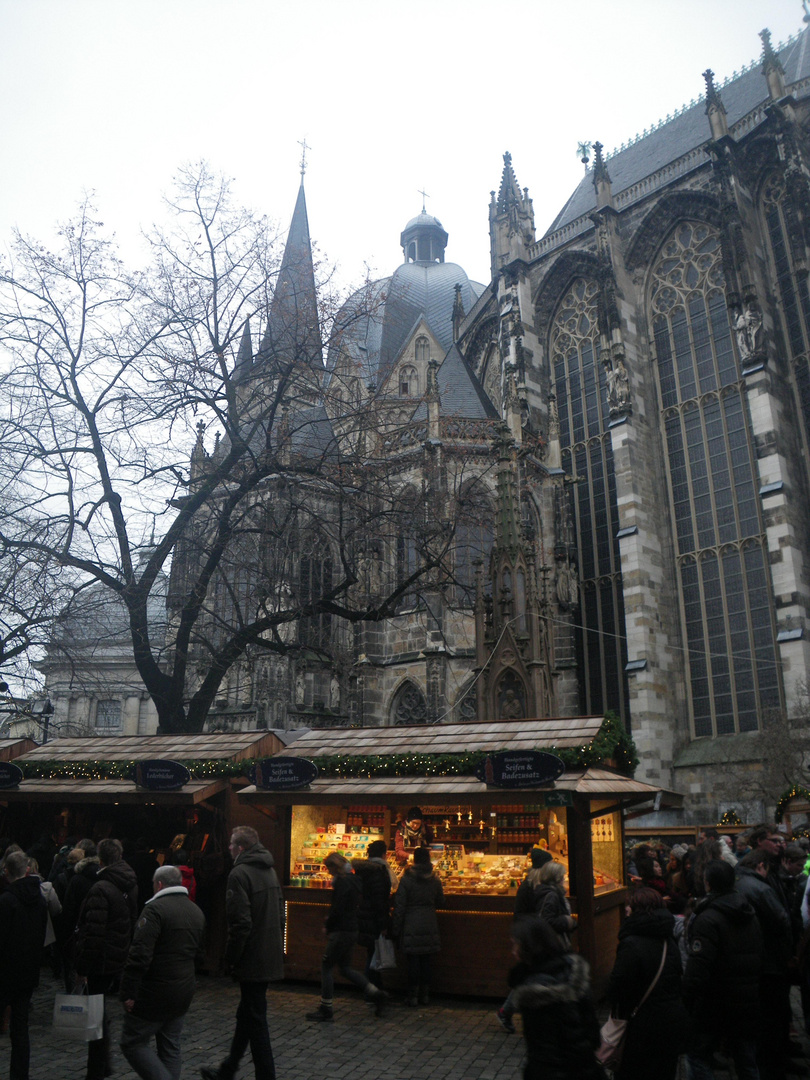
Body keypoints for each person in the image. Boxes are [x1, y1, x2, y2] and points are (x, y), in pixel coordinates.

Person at [201, 826, 284, 1080]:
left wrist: (230, 958)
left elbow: (240, 924)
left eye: (230, 845)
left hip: (252, 957)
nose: (227, 849)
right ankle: (229, 1068)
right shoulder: (269, 870)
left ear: (240, 848)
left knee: (255, 1020)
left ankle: (265, 1075)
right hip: (268, 953)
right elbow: (281, 914)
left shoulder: (239, 874)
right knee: (247, 1014)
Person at [119, 864, 206, 1080]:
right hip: (183, 988)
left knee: (133, 1042)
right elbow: (198, 952)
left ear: (159, 884)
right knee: (170, 1046)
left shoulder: (155, 910)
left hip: (155, 990)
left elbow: (139, 955)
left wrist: (128, 991)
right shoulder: (195, 911)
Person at [683, 859, 762, 1080]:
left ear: (708, 883)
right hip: (746, 998)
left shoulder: (707, 918)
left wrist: (687, 1000)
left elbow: (698, 967)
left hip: (713, 1002)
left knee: (698, 1057)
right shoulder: (749, 912)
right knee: (746, 1060)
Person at [606, 887, 687, 1080]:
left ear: (638, 909)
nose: (626, 909)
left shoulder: (631, 943)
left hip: (640, 1028)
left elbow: (618, 987)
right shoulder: (669, 940)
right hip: (669, 1024)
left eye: (629, 906)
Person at [75, 838, 138, 1080]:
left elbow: (93, 933)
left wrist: (82, 966)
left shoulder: (101, 888)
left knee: (96, 1018)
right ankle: (102, 1066)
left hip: (101, 960)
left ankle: (96, 1071)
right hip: (118, 955)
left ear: (101, 860)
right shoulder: (129, 883)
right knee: (100, 1016)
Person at [509, 918, 603, 1080]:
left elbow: (543, 1054)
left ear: (529, 947)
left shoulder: (535, 993)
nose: (513, 950)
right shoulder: (573, 973)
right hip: (587, 1070)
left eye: (515, 944)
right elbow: (593, 1034)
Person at [307, 851, 388, 1021]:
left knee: (327, 966)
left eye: (328, 868)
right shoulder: (355, 880)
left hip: (341, 930)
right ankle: (376, 993)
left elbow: (337, 908)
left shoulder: (343, 883)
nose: (328, 872)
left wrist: (328, 925)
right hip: (352, 928)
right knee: (345, 968)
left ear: (334, 867)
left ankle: (326, 1007)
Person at [0, 850, 47, 1080]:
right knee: (20, 1029)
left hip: (6, 971)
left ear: (7, 871)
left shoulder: (7, 900)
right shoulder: (39, 899)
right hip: (27, 971)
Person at [496, 847, 554, 1033]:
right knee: (533, 976)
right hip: (530, 936)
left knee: (534, 976)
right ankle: (509, 1011)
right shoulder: (531, 885)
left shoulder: (536, 883)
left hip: (532, 935)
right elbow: (525, 913)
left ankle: (509, 1011)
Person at [392, 845, 444, 1007]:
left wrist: (395, 929)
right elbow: (441, 901)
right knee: (426, 960)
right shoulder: (434, 878)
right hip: (429, 922)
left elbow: (399, 906)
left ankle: (413, 995)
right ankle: (425, 995)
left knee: (413, 960)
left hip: (411, 923)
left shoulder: (407, 879)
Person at [351, 839, 393, 988]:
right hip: (374, 919)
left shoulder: (362, 870)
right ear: (384, 854)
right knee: (374, 955)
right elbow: (379, 901)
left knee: (372, 953)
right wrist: (384, 923)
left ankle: (374, 988)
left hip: (364, 916)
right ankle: (371, 989)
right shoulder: (379, 872)